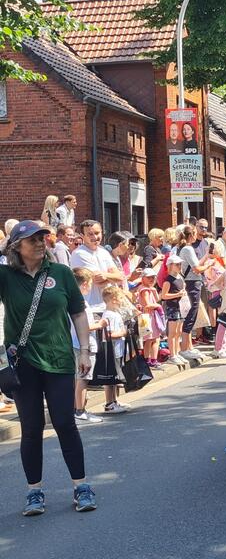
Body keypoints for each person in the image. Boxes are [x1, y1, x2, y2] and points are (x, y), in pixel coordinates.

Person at [0, 220, 97, 515]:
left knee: (65, 424)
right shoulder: (4, 275)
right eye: (33, 240)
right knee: (30, 429)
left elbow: (79, 313)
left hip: (58, 360)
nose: (41, 243)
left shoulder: (61, 273)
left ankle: (81, 487)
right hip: (22, 364)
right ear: (16, 247)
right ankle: (34, 492)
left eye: (43, 238)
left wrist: (83, 350)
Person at [70, 268, 107, 424]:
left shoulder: (71, 299)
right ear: (85, 284)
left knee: (78, 378)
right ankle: (79, 410)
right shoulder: (81, 302)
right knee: (83, 378)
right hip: (83, 344)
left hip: (74, 342)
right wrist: (100, 323)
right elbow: (85, 325)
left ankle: (77, 409)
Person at [175, 225, 211, 360]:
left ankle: (189, 346)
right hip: (192, 283)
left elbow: (195, 265)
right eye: (195, 233)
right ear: (191, 235)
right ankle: (184, 348)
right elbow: (197, 269)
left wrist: (207, 256)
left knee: (192, 315)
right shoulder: (188, 249)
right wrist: (208, 265)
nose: (196, 236)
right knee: (190, 315)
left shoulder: (183, 248)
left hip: (191, 283)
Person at [69, 220, 124, 307]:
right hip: (92, 306)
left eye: (97, 233)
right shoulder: (79, 253)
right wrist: (111, 277)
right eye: (90, 234)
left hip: (108, 305)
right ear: (82, 236)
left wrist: (105, 276)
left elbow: (120, 277)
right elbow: (96, 279)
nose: (95, 236)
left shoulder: (104, 252)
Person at [160, 255, 188, 366]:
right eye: (177, 264)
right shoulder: (168, 280)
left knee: (178, 332)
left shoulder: (180, 277)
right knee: (172, 332)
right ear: (170, 266)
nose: (179, 266)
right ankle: (173, 355)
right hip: (172, 307)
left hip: (180, 306)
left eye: (180, 264)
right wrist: (177, 294)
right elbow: (164, 296)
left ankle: (177, 352)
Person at [136, 268, 163, 370]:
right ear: (143, 278)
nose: (151, 279)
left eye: (153, 277)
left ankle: (148, 359)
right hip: (148, 316)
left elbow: (156, 299)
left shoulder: (148, 289)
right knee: (153, 339)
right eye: (149, 277)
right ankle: (152, 359)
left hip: (148, 316)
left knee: (150, 339)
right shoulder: (145, 290)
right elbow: (148, 305)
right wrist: (157, 306)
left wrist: (154, 290)